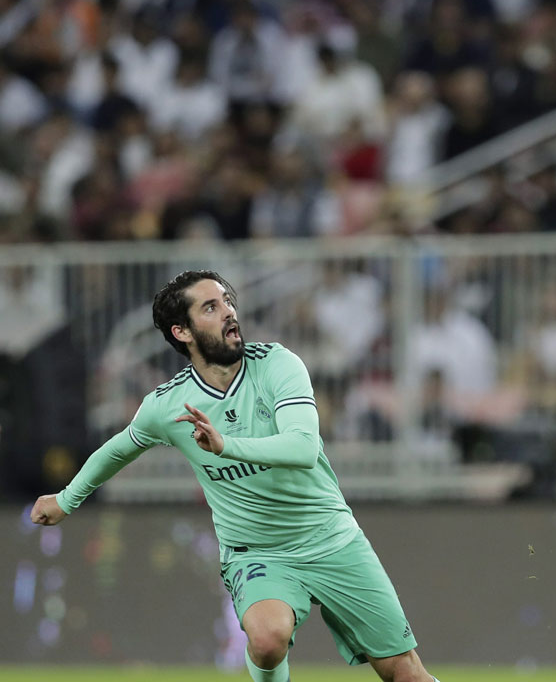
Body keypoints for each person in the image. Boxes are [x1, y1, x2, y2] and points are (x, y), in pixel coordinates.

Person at [29, 271, 439, 682]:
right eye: (211, 307)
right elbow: (118, 449)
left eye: (227, 301)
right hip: (256, 552)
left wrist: (226, 445)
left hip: (331, 538)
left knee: (403, 673)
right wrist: (66, 500)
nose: (229, 312)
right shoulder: (167, 404)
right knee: (266, 638)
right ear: (182, 331)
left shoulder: (278, 364)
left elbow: (303, 448)